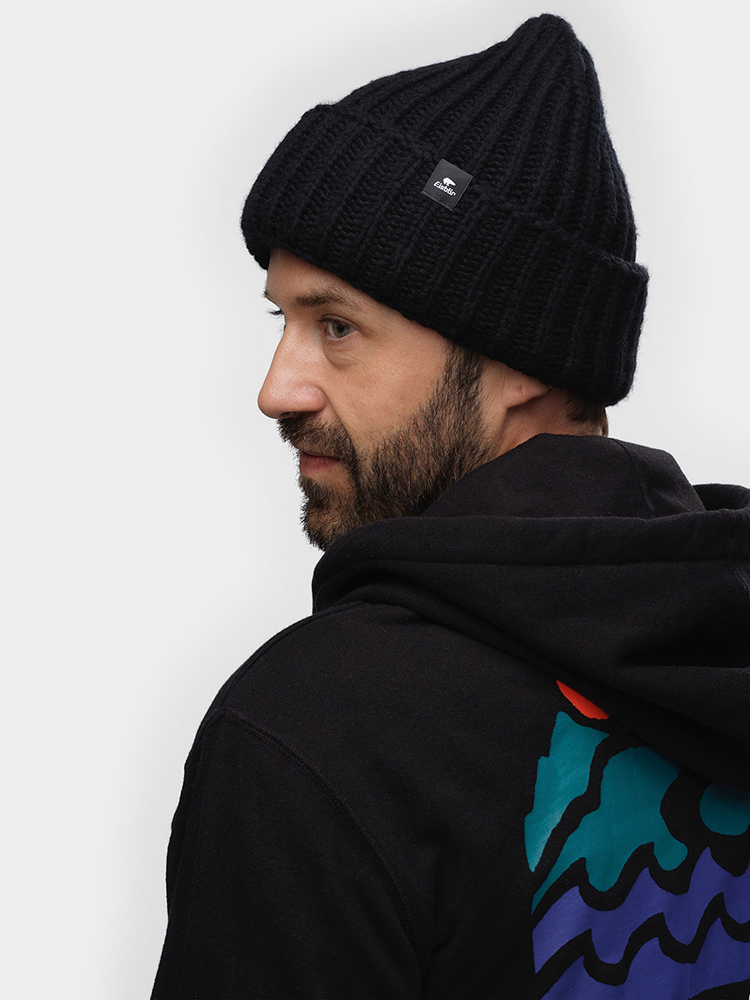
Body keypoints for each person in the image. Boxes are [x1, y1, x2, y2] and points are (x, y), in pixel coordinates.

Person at [152, 14, 750, 999]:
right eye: (282, 319)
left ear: (520, 359)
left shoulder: (317, 730)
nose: (275, 389)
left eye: (337, 327)